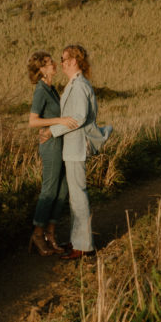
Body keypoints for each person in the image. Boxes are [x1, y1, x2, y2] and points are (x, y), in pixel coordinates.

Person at [48, 44, 111, 262]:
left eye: (64, 58)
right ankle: (77, 241)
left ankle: (84, 246)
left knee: (79, 196)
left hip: (76, 148)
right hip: (72, 147)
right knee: (75, 197)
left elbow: (78, 118)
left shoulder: (80, 85)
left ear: (74, 60)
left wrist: (52, 131)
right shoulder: (76, 84)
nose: (62, 63)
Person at [26, 51, 78, 256]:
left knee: (63, 188)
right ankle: (37, 234)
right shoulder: (40, 91)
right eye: (49, 63)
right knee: (49, 189)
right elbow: (33, 121)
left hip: (61, 143)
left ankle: (51, 234)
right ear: (41, 69)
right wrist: (59, 121)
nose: (55, 64)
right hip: (51, 146)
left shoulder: (52, 89)